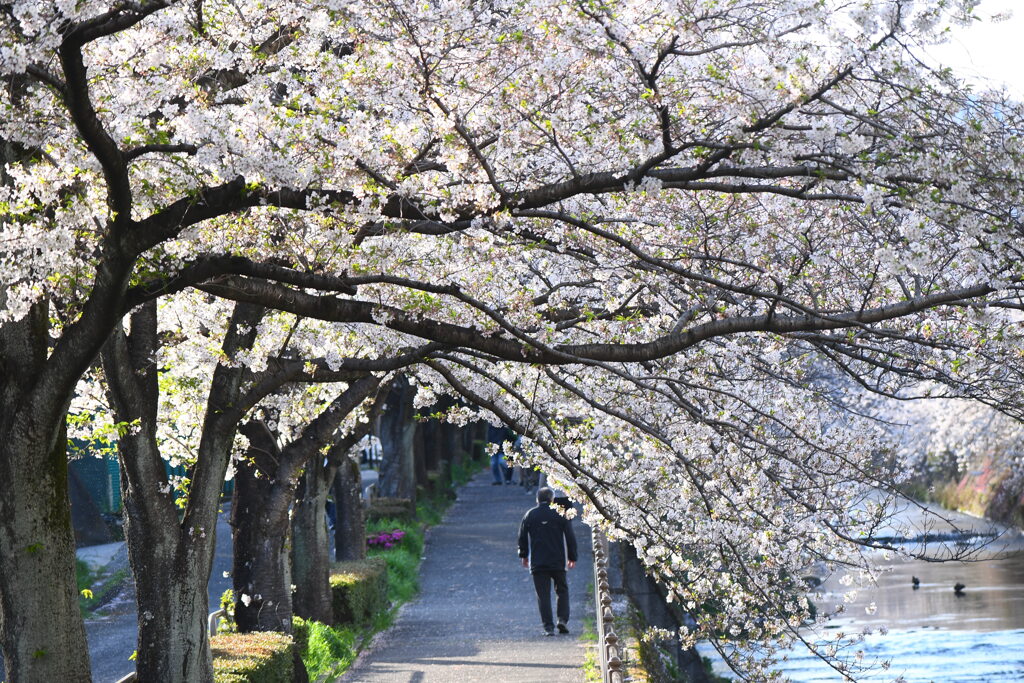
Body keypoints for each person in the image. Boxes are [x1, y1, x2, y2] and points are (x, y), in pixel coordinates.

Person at [518, 486, 578, 636]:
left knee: (543, 595)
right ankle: (562, 619)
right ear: (552, 499)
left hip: (538, 561)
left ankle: (548, 627)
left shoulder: (530, 515)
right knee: (562, 591)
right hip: (558, 560)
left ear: (537, 499)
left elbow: (522, 537)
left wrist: (524, 555)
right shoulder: (560, 514)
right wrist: (572, 557)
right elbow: (570, 536)